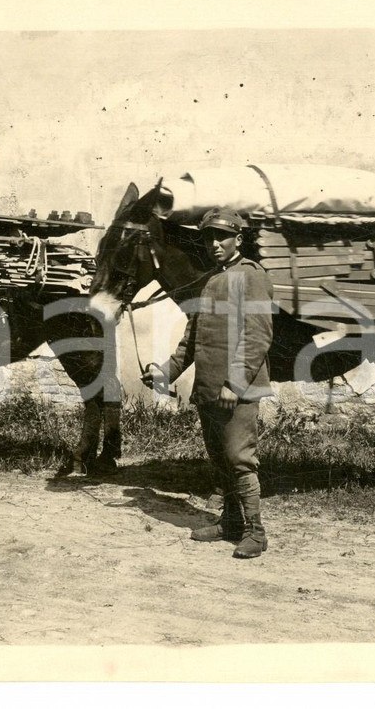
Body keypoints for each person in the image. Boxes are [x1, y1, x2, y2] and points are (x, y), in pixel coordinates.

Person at [142, 207, 274, 558]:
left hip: (235, 389)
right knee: (219, 458)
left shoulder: (252, 276)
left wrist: (236, 383)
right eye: (209, 237)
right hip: (208, 387)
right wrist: (164, 373)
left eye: (222, 237)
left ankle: (255, 532)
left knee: (239, 457)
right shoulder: (211, 280)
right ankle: (230, 521)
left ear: (238, 239)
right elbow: (192, 338)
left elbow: (258, 336)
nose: (215, 244)